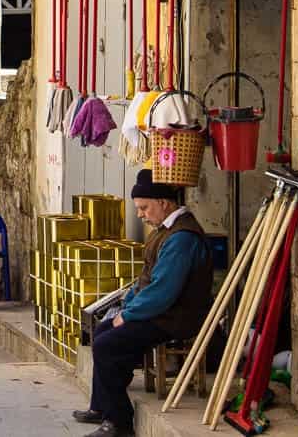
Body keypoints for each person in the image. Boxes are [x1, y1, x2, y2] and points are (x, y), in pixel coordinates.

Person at [72, 169, 213, 437]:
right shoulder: (165, 231)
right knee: (103, 331)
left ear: (163, 203)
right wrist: (127, 305)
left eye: (144, 208)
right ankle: (101, 406)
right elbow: (146, 280)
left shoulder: (182, 238)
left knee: (107, 345)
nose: (140, 214)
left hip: (175, 317)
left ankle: (119, 422)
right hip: (162, 311)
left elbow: (162, 291)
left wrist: (129, 314)